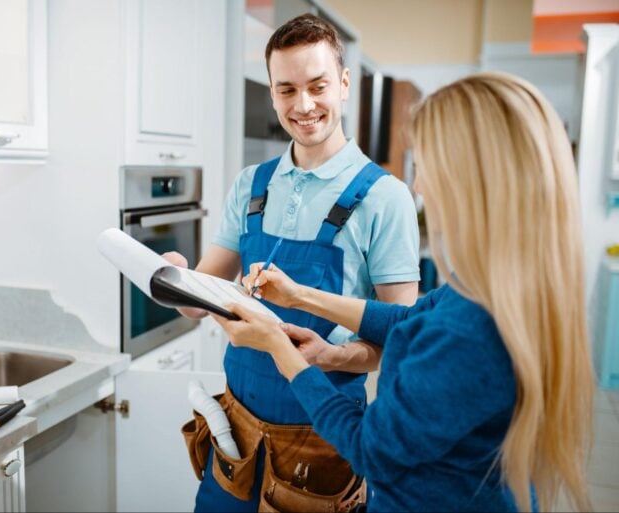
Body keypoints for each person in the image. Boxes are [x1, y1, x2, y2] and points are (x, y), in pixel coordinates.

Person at [213, 72, 595, 512]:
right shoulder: (498, 289)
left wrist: (279, 347)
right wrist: (300, 296)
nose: (419, 186)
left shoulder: (469, 331)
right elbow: (407, 319)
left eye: (427, 166)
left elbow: (371, 448)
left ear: (471, 180)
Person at [169, 13, 420, 512]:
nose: (302, 106)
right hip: (233, 432)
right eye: (286, 90)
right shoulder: (251, 184)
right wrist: (173, 282)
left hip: (322, 440)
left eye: (317, 86)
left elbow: (402, 342)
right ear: (271, 91)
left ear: (344, 84)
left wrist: (331, 356)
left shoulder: (385, 198)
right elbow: (201, 302)